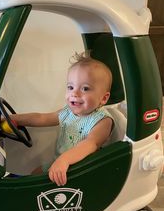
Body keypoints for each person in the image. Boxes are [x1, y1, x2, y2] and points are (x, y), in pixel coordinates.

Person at [10, 52, 113, 186]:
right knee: (34, 173)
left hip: (82, 171)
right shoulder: (68, 112)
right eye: (70, 87)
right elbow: (42, 118)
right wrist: (15, 119)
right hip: (61, 163)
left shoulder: (102, 121)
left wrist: (65, 160)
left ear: (104, 98)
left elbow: (90, 144)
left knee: (39, 184)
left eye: (85, 88)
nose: (74, 93)